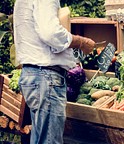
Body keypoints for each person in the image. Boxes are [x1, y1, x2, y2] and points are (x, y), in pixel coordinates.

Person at [13, 0, 95, 144]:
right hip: (46, 78)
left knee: (40, 139)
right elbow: (50, 32)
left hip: (34, 75)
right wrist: (80, 42)